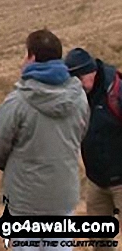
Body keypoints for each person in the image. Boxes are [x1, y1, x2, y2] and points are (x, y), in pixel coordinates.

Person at [0, 29, 89, 251]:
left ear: (32, 57)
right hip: (63, 196)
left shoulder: (17, 101)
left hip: (25, 201)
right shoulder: (79, 97)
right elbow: (80, 134)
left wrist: (17, 167)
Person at [65, 48, 122, 251]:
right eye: (72, 78)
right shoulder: (77, 98)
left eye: (80, 76)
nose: (77, 83)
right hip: (96, 181)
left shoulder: (116, 92)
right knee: (99, 242)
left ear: (92, 71)